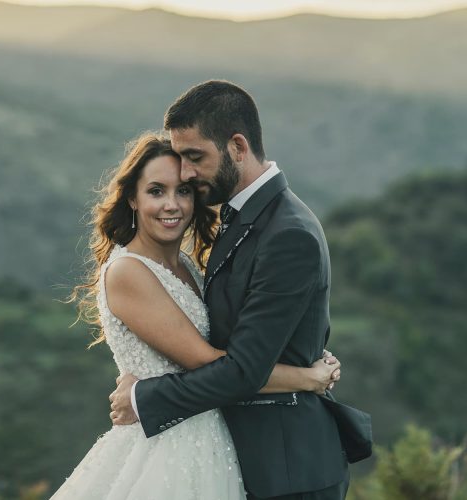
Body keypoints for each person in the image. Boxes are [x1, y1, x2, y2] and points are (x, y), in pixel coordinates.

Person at [52, 134, 340, 499]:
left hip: (212, 437)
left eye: (184, 191)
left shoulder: (186, 265)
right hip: (168, 446)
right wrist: (307, 378)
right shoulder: (128, 271)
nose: (172, 205)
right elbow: (208, 361)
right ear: (132, 199)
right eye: (156, 191)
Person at [110, 81, 350, 499]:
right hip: (237, 457)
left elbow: (242, 369)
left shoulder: (287, 233)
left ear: (237, 147)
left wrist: (145, 395)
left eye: (194, 158)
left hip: (287, 469)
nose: (185, 174)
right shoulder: (240, 217)